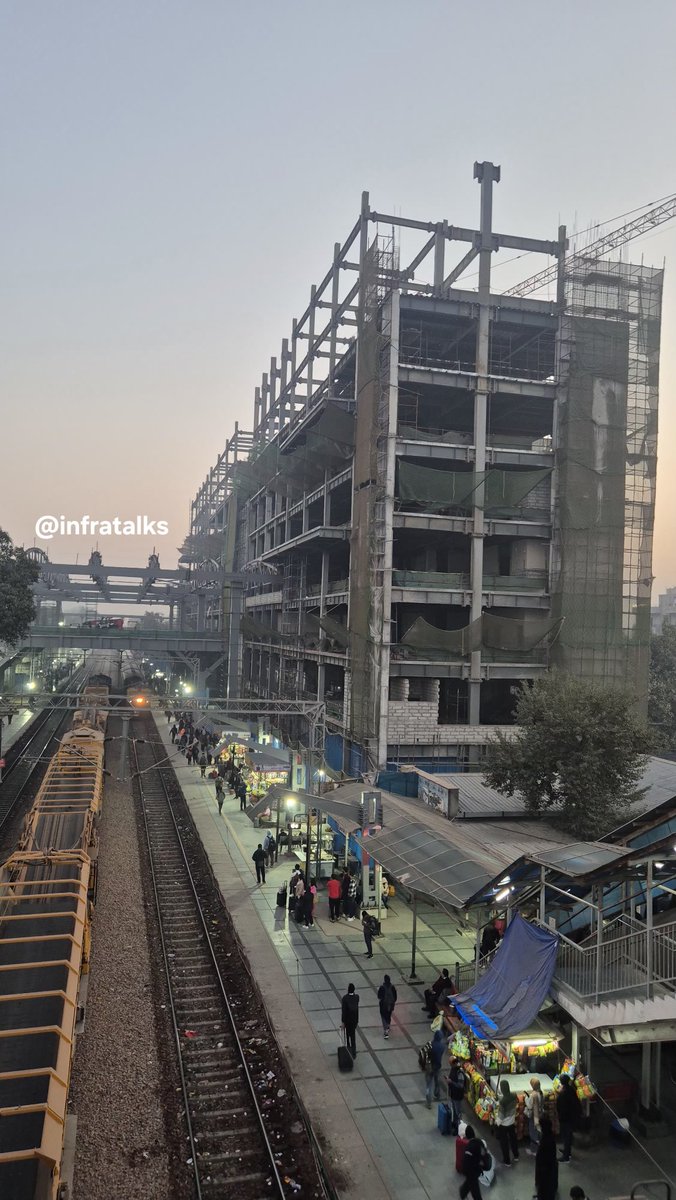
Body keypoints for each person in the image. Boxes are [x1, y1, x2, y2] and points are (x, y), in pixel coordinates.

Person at [556, 1073, 582, 1163]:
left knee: (566, 1136)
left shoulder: (563, 1093)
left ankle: (566, 1157)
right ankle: (568, 1152)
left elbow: (561, 1107)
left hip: (566, 1118)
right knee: (568, 1136)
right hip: (572, 1117)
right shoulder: (571, 1089)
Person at [495, 1078, 519, 1165]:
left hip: (504, 1125)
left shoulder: (503, 1102)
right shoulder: (514, 1095)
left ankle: (507, 1161)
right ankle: (516, 1156)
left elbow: (501, 1116)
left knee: (504, 1143)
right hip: (512, 1122)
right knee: (513, 1140)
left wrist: (496, 1122)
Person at [459, 1127, 488, 1200]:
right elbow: (484, 1154)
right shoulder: (480, 1142)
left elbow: (466, 1161)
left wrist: (464, 1170)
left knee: (473, 1187)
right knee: (474, 1188)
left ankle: (462, 1191)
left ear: (467, 1136)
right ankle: (462, 1191)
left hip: (471, 1171)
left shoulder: (469, 1147)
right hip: (478, 1169)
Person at [535, 1117, 558, 1200]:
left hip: (545, 1168)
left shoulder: (546, 1139)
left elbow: (544, 1155)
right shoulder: (550, 1135)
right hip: (549, 1167)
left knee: (545, 1187)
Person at [425, 1027, 446, 1108]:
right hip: (437, 1066)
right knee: (437, 1081)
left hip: (429, 1067)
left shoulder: (429, 1045)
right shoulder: (442, 1046)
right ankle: (437, 1094)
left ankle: (429, 1102)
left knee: (429, 1085)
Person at [341, 982, 360, 1058]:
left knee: (347, 1036)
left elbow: (344, 1011)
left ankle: (349, 1051)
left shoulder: (345, 998)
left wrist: (343, 1022)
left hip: (347, 1021)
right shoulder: (357, 997)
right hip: (354, 1020)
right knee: (353, 1036)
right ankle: (354, 1052)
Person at [525, 1077, 543, 1154]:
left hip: (534, 1116)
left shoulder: (533, 1095)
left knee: (533, 1132)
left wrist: (526, 1097)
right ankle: (540, 1148)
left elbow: (529, 1105)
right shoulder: (541, 1093)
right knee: (539, 1131)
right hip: (540, 1114)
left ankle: (534, 1150)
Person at [448, 1058, 466, 1132]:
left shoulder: (460, 1072)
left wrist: (451, 1082)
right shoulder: (453, 1069)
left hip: (457, 1095)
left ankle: (460, 1128)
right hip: (453, 1093)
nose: (450, 1065)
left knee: (458, 1113)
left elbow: (460, 1085)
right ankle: (455, 1124)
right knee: (454, 1111)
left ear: (454, 1063)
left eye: (451, 1063)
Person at [377, 974, 397, 1038]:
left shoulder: (382, 987)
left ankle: (386, 1031)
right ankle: (388, 1025)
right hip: (390, 1005)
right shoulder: (392, 987)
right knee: (388, 1015)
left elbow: (379, 996)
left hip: (383, 1005)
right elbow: (395, 997)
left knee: (383, 1017)